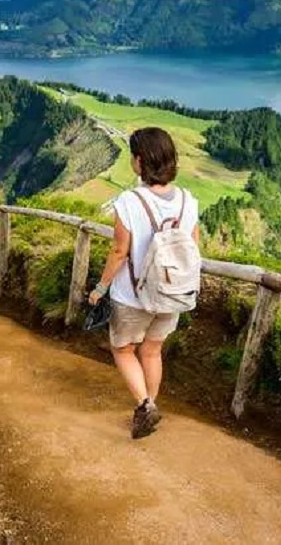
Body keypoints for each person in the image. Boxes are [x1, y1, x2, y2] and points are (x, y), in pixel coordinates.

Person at [88, 127, 200, 439]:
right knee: (152, 351)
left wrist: (100, 288)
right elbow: (193, 248)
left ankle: (145, 405)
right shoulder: (188, 201)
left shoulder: (129, 201)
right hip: (172, 293)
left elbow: (119, 251)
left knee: (123, 349)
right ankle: (150, 405)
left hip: (132, 296)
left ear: (140, 161)